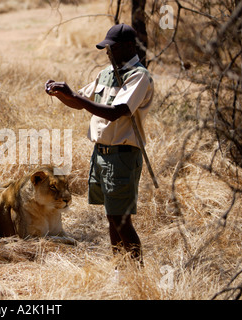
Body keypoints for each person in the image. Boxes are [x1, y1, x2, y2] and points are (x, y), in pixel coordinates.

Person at [45, 24, 154, 266]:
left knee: (121, 220)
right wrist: (61, 94)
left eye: (112, 48)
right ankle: (121, 269)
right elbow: (81, 101)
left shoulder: (139, 75)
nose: (108, 52)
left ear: (128, 46)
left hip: (123, 155)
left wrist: (75, 96)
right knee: (112, 217)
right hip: (101, 154)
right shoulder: (106, 73)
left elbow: (118, 112)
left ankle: (136, 273)